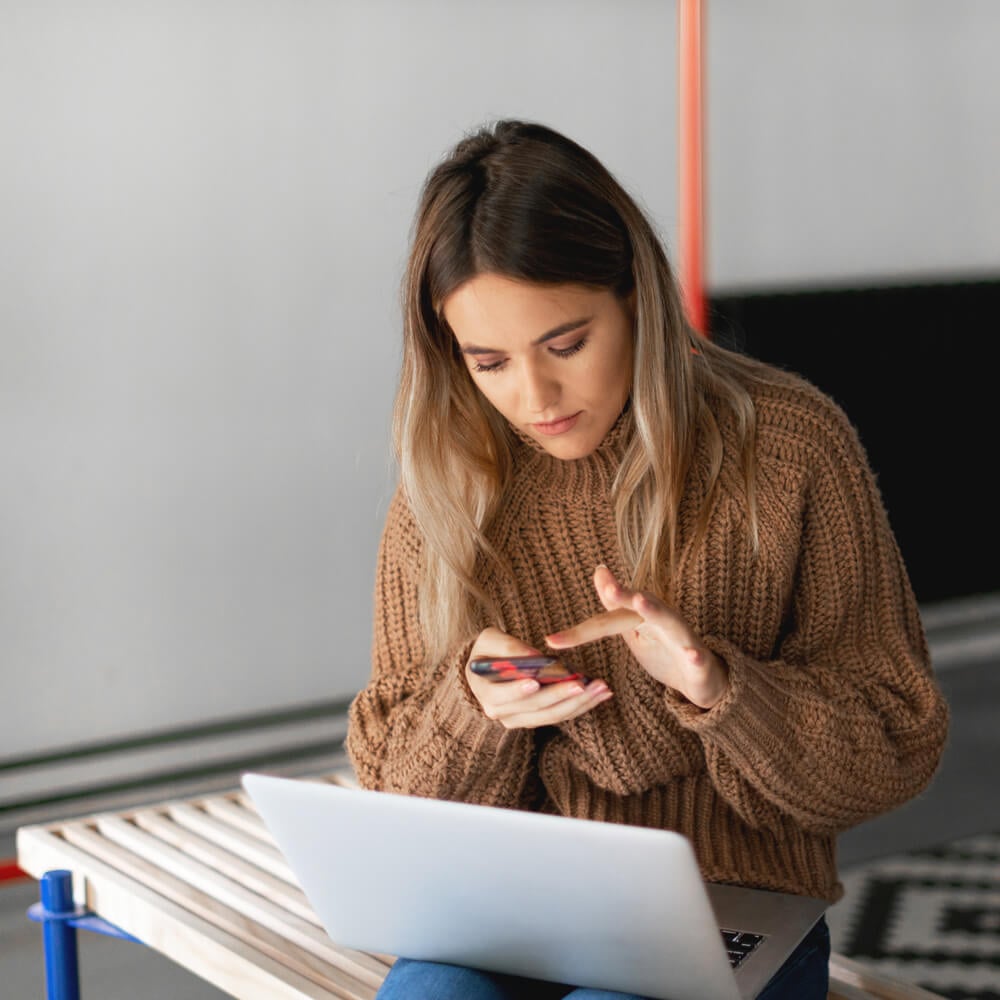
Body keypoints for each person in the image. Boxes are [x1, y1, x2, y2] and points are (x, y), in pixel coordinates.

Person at [345, 119, 950, 999]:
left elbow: (897, 739)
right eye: (489, 361)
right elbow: (392, 785)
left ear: (637, 297)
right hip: (506, 911)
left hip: (735, 910)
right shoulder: (447, 485)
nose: (534, 397)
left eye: (566, 344)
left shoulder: (787, 446)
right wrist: (471, 710)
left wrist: (720, 689)